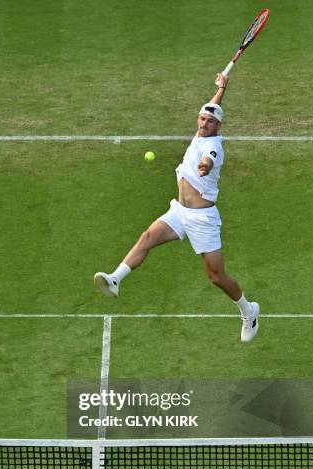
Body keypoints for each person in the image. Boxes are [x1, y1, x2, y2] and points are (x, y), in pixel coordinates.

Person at [94, 73, 259, 342]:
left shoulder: (214, 146)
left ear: (219, 126)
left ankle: (249, 310)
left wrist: (205, 167)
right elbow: (212, 105)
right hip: (179, 211)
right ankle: (115, 279)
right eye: (202, 119)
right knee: (147, 237)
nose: (204, 124)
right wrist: (221, 88)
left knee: (216, 277)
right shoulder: (202, 131)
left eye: (210, 121)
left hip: (202, 219)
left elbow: (208, 159)